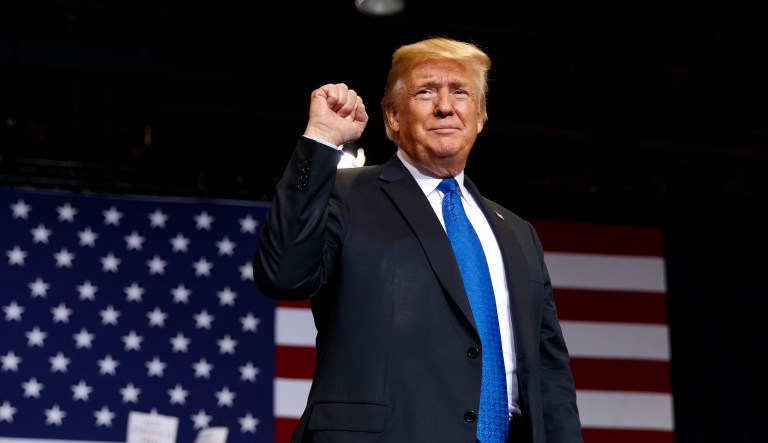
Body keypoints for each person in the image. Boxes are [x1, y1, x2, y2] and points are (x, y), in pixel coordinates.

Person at [253, 37, 583, 443]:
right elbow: (282, 274)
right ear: (392, 116)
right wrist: (321, 139)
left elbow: (550, 373)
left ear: (479, 116)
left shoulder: (517, 232)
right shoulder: (346, 194)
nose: (445, 106)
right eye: (426, 91)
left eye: (460, 92)